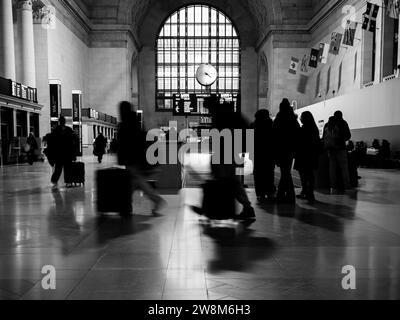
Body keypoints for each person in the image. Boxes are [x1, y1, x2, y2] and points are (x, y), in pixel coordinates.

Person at [117, 101, 166, 216]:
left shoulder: (127, 123)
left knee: (137, 182)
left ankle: (156, 200)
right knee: (134, 183)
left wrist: (123, 158)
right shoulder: (134, 121)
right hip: (137, 159)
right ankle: (125, 206)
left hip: (134, 159)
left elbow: (127, 143)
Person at [272, 98, 300, 204]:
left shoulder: (278, 119)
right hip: (290, 150)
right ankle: (288, 195)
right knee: (286, 172)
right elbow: (297, 135)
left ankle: (283, 194)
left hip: (280, 149)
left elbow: (274, 136)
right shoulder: (293, 119)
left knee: (285, 173)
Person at [294, 111, 321, 204]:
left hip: (302, 155)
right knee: (310, 175)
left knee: (303, 175)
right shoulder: (314, 129)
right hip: (311, 155)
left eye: (301, 117)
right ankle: (310, 193)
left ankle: (304, 191)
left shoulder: (303, 129)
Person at [323, 111, 352, 194]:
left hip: (330, 149)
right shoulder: (343, 123)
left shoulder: (327, 124)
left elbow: (323, 137)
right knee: (344, 168)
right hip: (341, 148)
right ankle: (346, 185)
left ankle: (333, 186)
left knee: (332, 168)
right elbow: (348, 136)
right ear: (341, 115)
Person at [251, 109, 276, 202]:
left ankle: (260, 193)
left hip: (257, 153)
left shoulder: (254, 125)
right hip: (269, 153)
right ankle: (270, 192)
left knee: (258, 174)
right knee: (269, 173)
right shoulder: (271, 124)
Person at [51, 116, 79, 189]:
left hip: (63, 153)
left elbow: (53, 143)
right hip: (64, 153)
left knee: (60, 168)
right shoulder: (68, 130)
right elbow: (74, 142)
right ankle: (67, 182)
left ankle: (56, 181)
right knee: (64, 168)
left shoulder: (57, 130)